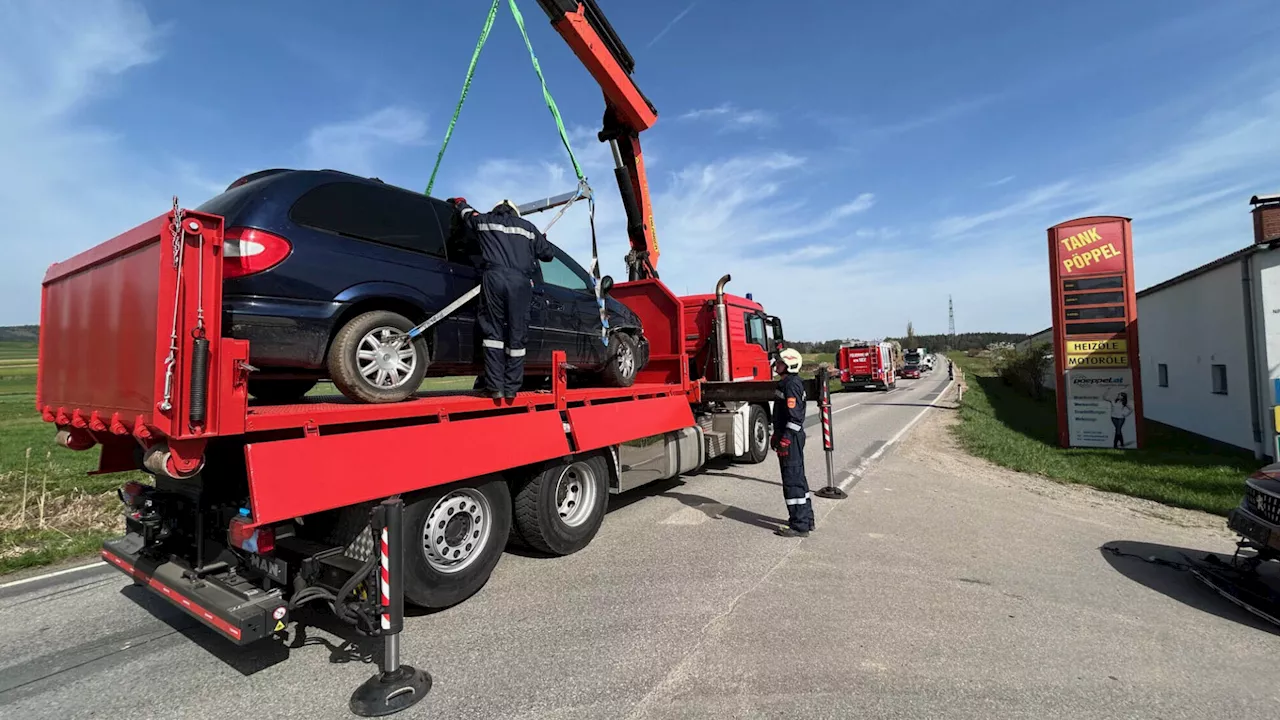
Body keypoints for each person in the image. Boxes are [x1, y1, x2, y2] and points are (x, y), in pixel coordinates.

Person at [447, 197, 556, 399]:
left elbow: (467, 214)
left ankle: (495, 387)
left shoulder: (486, 221)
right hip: (520, 283)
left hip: (494, 279)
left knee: (492, 332)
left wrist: (459, 203)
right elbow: (548, 255)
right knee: (517, 332)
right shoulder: (528, 228)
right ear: (515, 212)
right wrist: (539, 241)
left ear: (496, 209)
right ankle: (512, 389)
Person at [771, 347, 815, 537]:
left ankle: (799, 525)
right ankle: (806, 519)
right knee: (798, 479)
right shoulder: (789, 383)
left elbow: (795, 418)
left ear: (788, 365)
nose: (776, 365)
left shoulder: (791, 385)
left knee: (792, 480)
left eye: (780, 362)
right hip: (790, 436)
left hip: (791, 437)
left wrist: (786, 439)